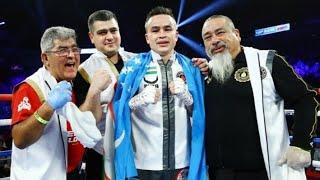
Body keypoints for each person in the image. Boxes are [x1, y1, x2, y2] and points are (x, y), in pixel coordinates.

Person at [201, 15, 319, 180]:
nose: (214, 40)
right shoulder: (207, 73)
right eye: (208, 37)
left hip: (261, 172)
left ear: (236, 34)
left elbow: (306, 99)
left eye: (220, 33)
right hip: (217, 172)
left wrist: (301, 144)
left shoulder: (267, 61)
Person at [113, 6, 206, 180]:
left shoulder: (191, 68)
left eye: (167, 29)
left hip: (181, 161)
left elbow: (201, 112)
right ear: (148, 38)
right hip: (143, 162)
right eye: (155, 30)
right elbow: (117, 112)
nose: (162, 35)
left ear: (176, 35)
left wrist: (186, 97)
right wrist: (137, 100)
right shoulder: (132, 67)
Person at [10, 26, 111, 180]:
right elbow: (20, 139)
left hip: (72, 173)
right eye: (62, 50)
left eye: (74, 49)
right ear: (45, 59)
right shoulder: (30, 87)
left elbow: (88, 119)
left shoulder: (72, 82)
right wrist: (48, 106)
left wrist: (94, 91)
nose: (71, 55)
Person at [72, 10, 137, 180]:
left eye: (113, 30)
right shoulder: (83, 71)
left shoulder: (137, 61)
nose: (109, 36)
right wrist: (94, 91)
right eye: (102, 32)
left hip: (138, 146)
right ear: (91, 37)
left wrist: (201, 65)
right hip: (102, 151)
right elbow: (84, 120)